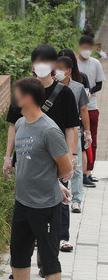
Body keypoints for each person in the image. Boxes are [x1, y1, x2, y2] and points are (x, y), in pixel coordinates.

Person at [0, 78, 73, 280]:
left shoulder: (49, 130)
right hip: (23, 202)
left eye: (17, 93)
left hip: (46, 207)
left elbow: (66, 166)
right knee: (18, 254)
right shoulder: (20, 123)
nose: (14, 97)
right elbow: (31, 161)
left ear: (28, 97)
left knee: (49, 258)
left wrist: (54, 184)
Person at [4, 45, 78, 258]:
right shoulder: (23, 90)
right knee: (25, 208)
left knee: (56, 202)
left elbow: (71, 127)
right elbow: (13, 125)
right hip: (27, 158)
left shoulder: (65, 94)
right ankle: (21, 261)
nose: (42, 65)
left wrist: (71, 156)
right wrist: (8, 157)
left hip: (56, 158)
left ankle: (53, 251)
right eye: (38, 60)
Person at [55, 56, 91, 220]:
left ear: (69, 71)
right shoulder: (51, 86)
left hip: (73, 131)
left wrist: (88, 132)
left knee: (75, 166)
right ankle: (59, 196)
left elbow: (83, 110)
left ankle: (76, 200)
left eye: (60, 68)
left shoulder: (78, 88)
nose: (57, 71)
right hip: (55, 132)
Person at [77, 35, 104, 183]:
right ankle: (77, 171)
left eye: (89, 48)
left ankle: (88, 171)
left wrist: (90, 91)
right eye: (84, 47)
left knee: (90, 139)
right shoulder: (73, 63)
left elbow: (100, 84)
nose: (86, 50)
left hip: (91, 106)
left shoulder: (95, 63)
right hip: (75, 107)